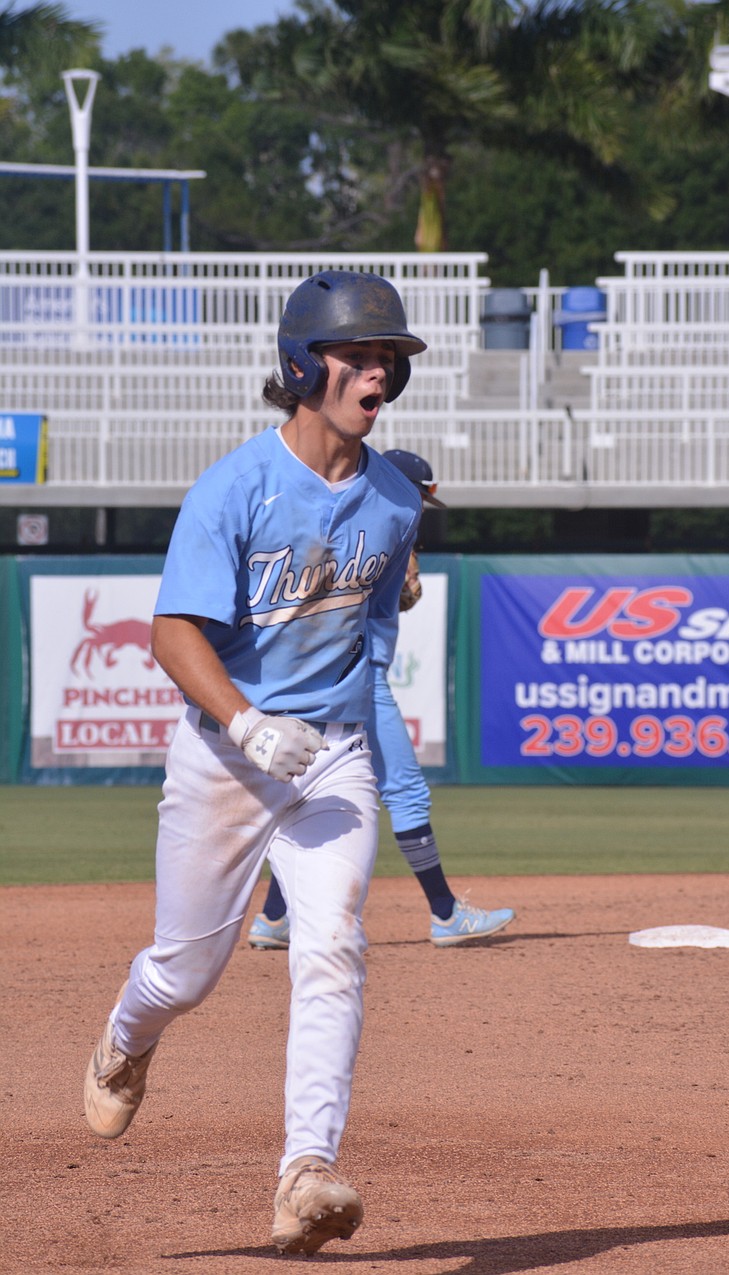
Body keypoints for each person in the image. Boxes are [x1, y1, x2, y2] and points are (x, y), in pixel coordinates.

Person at [82, 269, 427, 1256]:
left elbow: (371, 593)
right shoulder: (232, 487)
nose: (375, 370)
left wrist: (388, 584)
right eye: (357, 354)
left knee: (333, 946)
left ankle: (303, 1176)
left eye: (386, 357)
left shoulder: (396, 493)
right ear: (300, 366)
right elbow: (173, 633)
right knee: (186, 971)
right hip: (226, 760)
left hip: (331, 758)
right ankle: (125, 1040)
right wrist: (244, 724)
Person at [248, 449, 515, 951]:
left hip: (324, 679)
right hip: (360, 681)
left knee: (312, 790)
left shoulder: (350, 526)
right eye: (417, 495)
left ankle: (274, 917)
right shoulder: (381, 532)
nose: (419, 507)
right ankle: (446, 913)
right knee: (405, 790)